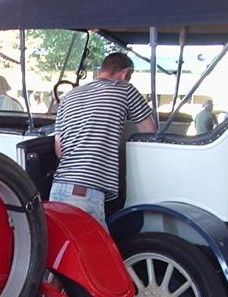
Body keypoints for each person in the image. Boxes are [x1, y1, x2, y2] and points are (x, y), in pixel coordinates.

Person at [51, 52, 155, 225]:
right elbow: (150, 133)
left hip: (59, 187)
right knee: (97, 251)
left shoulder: (68, 97)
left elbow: (59, 150)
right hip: (85, 194)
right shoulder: (125, 89)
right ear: (125, 73)